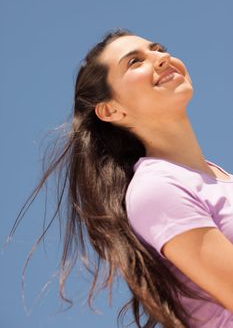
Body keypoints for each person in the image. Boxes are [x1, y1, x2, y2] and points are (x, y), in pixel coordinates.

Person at [9, 28, 233, 328]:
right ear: (111, 110)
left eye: (158, 48)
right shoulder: (157, 187)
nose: (162, 57)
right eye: (134, 62)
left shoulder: (215, 177)